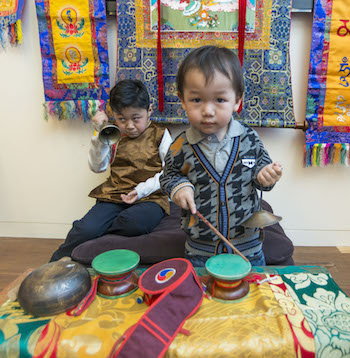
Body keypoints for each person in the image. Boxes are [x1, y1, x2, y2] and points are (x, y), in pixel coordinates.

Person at [160, 45, 283, 267]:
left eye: (219, 100)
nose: (208, 110)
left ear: (237, 100)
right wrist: (179, 187)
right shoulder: (180, 146)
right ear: (182, 99)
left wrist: (266, 176)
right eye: (197, 100)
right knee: (204, 298)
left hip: (249, 247)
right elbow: (168, 176)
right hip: (200, 249)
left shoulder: (249, 139)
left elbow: (261, 175)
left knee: (255, 296)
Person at [50, 79, 172, 262]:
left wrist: (140, 191)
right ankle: (56, 262)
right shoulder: (112, 134)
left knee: (134, 223)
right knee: (85, 229)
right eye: (122, 119)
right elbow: (97, 167)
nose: (129, 125)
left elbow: (169, 172)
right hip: (114, 194)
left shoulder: (161, 134)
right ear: (113, 115)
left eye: (136, 118)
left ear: (149, 111)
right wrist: (100, 133)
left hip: (151, 197)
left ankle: (98, 235)